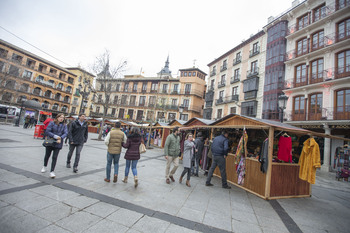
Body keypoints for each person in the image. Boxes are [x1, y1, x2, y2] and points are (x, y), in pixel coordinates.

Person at [41, 114, 68, 178]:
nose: (61, 119)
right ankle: (44, 166)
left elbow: (66, 133)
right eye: (60, 117)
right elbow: (48, 131)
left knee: (55, 157)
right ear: (57, 117)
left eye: (63, 118)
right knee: (47, 155)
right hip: (50, 141)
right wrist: (55, 136)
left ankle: (52, 171)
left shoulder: (64, 125)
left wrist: (60, 138)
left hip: (58, 143)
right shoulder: (52, 123)